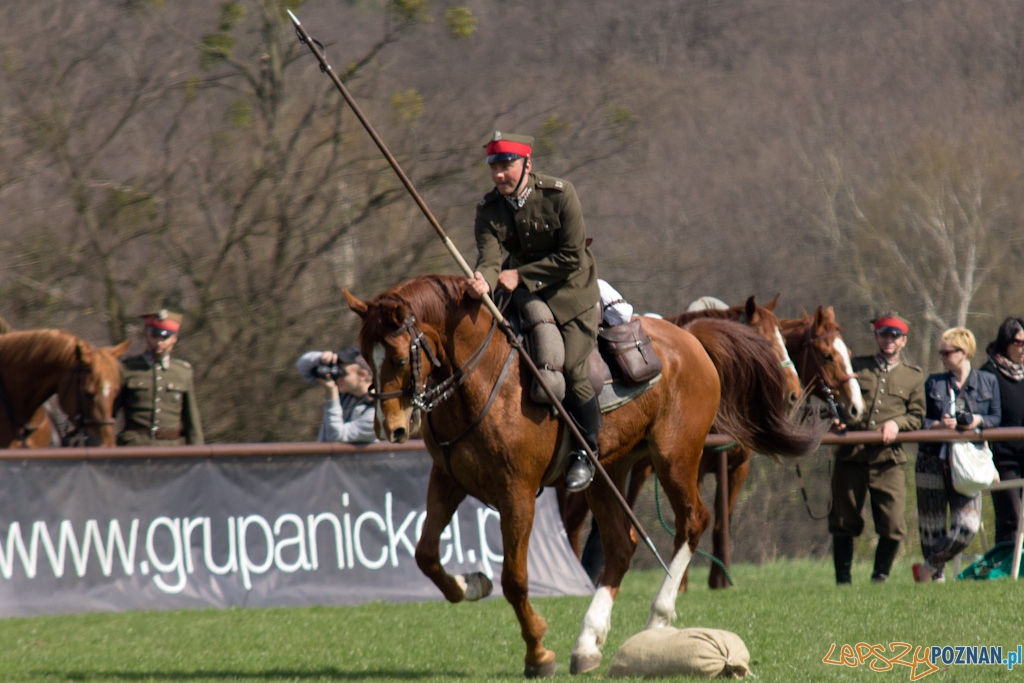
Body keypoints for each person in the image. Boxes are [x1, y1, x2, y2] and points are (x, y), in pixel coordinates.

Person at [466, 131, 601, 492]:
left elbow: (572, 256)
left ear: (527, 163)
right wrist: (483, 279)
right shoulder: (488, 210)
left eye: (506, 166)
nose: (498, 175)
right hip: (525, 297)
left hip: (573, 294)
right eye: (493, 167)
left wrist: (519, 274)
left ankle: (588, 452)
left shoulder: (560, 195)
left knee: (572, 369)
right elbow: (491, 259)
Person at [828, 314, 925, 584]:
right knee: (843, 521)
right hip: (851, 456)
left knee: (893, 526)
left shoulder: (913, 376)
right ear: (876, 337)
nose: (889, 341)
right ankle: (843, 580)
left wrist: (897, 423)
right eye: (884, 335)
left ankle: (879, 577)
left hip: (888, 460)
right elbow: (837, 400)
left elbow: (917, 416)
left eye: (895, 336)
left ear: (903, 341)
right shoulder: (856, 368)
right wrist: (835, 419)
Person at [913, 327, 1001, 583]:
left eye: (946, 352)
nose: (941, 357)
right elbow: (921, 421)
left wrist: (977, 420)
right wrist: (939, 426)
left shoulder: (987, 381)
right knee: (931, 529)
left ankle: (928, 569)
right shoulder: (934, 383)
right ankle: (935, 588)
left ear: (963, 353)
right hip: (933, 461)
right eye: (940, 352)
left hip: (968, 464)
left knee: (968, 525)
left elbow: (996, 418)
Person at [116, 309, 204, 446]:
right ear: (146, 335)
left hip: (171, 451)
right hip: (134, 448)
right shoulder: (127, 369)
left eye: (165, 338)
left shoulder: (182, 372)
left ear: (174, 338)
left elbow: (192, 421)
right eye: (154, 336)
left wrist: (198, 454)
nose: (159, 343)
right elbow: (109, 414)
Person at [980, 317, 1024, 545]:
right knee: (1011, 516)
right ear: (1006, 341)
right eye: (1019, 342)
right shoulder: (989, 374)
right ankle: (1007, 569)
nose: (1023, 348)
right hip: (1003, 458)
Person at [296, 346, 377, 444]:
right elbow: (302, 366)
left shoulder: (377, 411)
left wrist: (332, 396)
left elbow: (336, 437)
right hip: (324, 459)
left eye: (343, 373)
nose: (338, 378)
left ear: (362, 375)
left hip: (355, 459)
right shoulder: (345, 390)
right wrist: (321, 358)